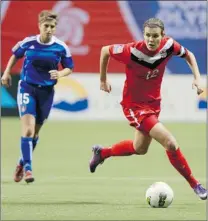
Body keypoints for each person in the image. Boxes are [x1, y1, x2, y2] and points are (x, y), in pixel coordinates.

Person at [89, 18, 207, 200]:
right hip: (134, 106)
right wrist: (103, 79)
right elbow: (105, 50)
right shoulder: (131, 50)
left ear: (163, 36)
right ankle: (195, 184)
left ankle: (103, 153)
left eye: (155, 36)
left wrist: (197, 78)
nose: (151, 40)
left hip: (153, 105)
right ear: (143, 35)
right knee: (170, 143)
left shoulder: (169, 46)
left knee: (140, 148)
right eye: (147, 36)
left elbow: (188, 55)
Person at [1, 10, 74, 183]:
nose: (49, 29)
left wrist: (60, 74)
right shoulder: (29, 43)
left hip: (46, 93)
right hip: (27, 88)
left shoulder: (61, 47)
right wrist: (6, 73)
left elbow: (69, 67)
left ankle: (21, 162)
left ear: (55, 29)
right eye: (46, 26)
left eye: (52, 27)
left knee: (34, 134)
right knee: (28, 129)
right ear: (39, 26)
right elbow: (15, 55)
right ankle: (28, 169)